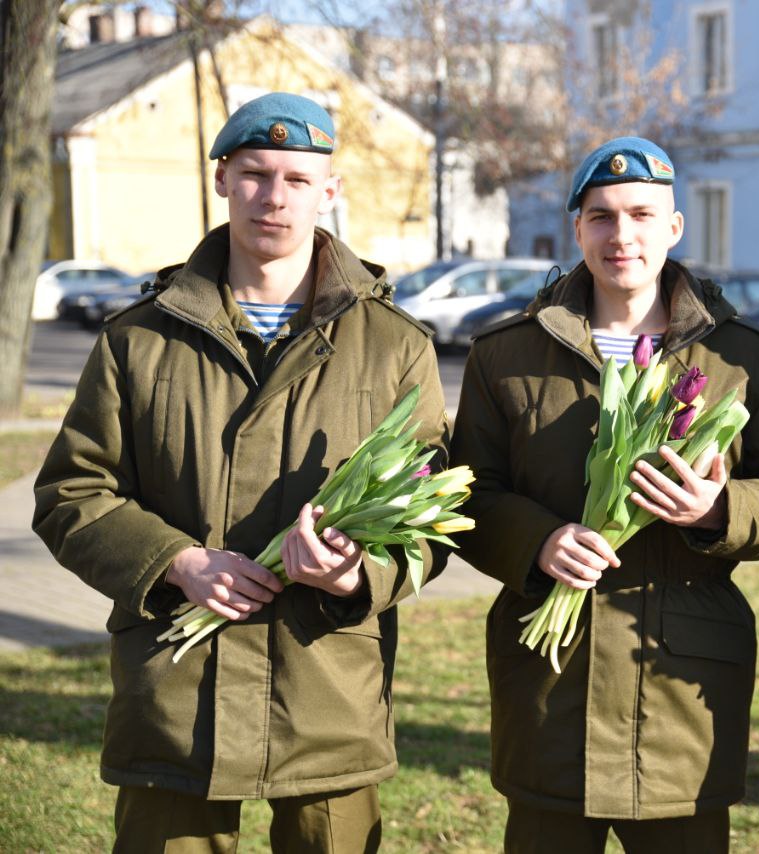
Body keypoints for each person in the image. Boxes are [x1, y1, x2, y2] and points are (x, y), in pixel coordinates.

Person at [33, 92, 449, 852]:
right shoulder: (138, 339)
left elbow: (433, 510)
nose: (275, 197)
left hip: (328, 690)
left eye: (297, 178)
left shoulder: (394, 344)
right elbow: (71, 493)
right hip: (175, 689)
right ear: (222, 177)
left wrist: (357, 572)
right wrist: (178, 562)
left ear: (330, 192)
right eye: (257, 173)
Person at [449, 136, 759, 852]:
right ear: (577, 228)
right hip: (549, 684)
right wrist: (539, 541)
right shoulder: (508, 355)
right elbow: (471, 495)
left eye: (643, 215)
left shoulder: (744, 358)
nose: (623, 236)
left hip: (679, 686)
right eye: (602, 216)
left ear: (675, 228)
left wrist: (720, 511)